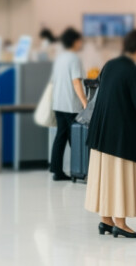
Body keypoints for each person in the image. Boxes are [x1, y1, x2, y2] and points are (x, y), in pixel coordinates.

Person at [85, 29, 136, 238]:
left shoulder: (110, 64)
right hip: (120, 134)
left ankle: (106, 220)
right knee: (119, 176)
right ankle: (120, 224)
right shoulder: (133, 71)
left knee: (105, 175)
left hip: (101, 130)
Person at [49, 27, 88, 181]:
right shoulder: (73, 58)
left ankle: (57, 170)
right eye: (79, 40)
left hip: (58, 102)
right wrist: (84, 101)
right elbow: (76, 81)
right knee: (75, 138)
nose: (81, 43)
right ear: (75, 41)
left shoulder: (60, 57)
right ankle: (80, 170)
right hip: (71, 104)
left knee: (61, 137)